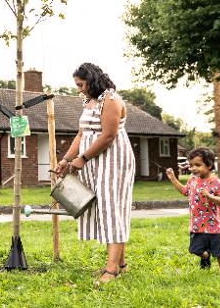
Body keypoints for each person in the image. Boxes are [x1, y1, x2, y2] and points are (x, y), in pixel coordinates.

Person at [55, 62, 136, 284]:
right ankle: (120, 264)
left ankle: (111, 270)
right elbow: (82, 135)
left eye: (81, 84)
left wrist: (83, 158)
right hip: (95, 160)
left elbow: (108, 136)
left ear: (91, 80)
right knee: (104, 209)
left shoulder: (110, 100)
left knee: (112, 209)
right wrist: (66, 159)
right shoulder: (89, 101)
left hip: (114, 160)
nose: (79, 89)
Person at [166, 147, 220, 276]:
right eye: (191, 165)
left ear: (209, 165)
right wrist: (172, 178)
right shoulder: (193, 179)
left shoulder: (216, 182)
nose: (193, 168)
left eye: (198, 165)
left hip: (213, 227)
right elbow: (185, 191)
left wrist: (210, 196)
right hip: (196, 225)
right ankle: (206, 256)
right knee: (195, 249)